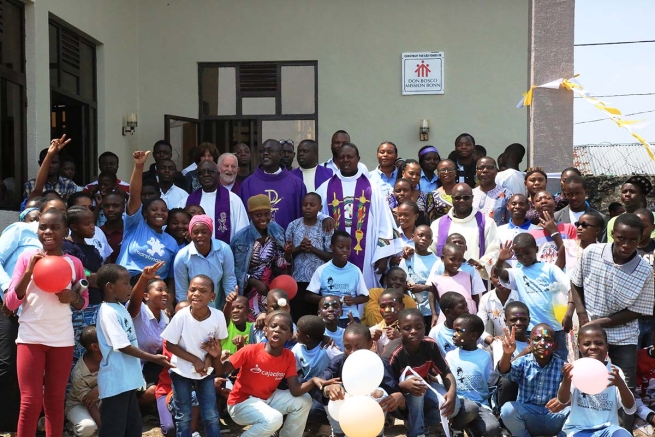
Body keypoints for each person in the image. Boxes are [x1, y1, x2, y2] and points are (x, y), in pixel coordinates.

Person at [5, 207, 88, 436]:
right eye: (43, 227)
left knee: (54, 402)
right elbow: (11, 303)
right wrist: (30, 271)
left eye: (55, 227)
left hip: (61, 340)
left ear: (66, 232)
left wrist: (73, 297)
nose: (48, 231)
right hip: (30, 339)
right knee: (30, 402)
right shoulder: (26, 259)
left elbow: (83, 302)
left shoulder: (74, 263)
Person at [571, 213, 655, 395]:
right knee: (585, 382)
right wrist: (582, 314)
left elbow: (637, 311)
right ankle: (588, 421)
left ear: (640, 239)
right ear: (613, 234)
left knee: (624, 386)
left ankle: (622, 424)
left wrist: (598, 323)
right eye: (621, 238)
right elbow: (576, 282)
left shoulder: (645, 271)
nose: (626, 245)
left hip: (623, 335)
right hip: (590, 332)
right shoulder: (591, 252)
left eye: (633, 240)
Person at [220, 310, 334, 437]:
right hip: (240, 404)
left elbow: (295, 391)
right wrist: (215, 355)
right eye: (273, 326)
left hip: (266, 399)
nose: (277, 330)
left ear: (291, 335)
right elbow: (221, 369)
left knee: (304, 400)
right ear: (266, 330)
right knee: (275, 419)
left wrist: (313, 381)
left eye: (283, 328)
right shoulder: (250, 350)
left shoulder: (289, 356)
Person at [95, 264, 173, 437]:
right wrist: (154, 358)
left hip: (128, 381)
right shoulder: (107, 311)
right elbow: (122, 345)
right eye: (126, 283)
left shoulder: (120, 308)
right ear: (110, 286)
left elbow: (132, 308)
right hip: (116, 382)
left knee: (133, 428)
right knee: (113, 430)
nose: (130, 287)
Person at [316, 143, 401, 288]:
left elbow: (384, 222)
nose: (345, 160)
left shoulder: (372, 188)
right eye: (342, 157)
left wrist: (383, 255)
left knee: (364, 292)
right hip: (334, 254)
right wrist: (324, 217)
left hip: (366, 253)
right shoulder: (326, 187)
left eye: (350, 156)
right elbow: (314, 214)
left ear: (358, 159)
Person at [383, 308, 478, 437]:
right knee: (415, 383)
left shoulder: (430, 345)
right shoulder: (393, 352)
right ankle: (416, 432)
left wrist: (451, 393)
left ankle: (418, 422)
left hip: (424, 388)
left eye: (418, 327)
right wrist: (402, 387)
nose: (413, 331)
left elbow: (446, 373)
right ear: (399, 328)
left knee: (453, 407)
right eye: (407, 328)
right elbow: (385, 386)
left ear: (425, 327)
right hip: (399, 401)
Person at [160, 274, 227, 437]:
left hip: (206, 372)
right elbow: (170, 344)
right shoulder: (181, 316)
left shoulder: (218, 316)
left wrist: (209, 360)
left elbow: (216, 345)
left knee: (211, 414)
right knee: (183, 415)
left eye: (203, 291)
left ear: (212, 297)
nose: (196, 293)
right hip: (181, 371)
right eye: (193, 290)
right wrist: (195, 360)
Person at [495, 234, 571, 359]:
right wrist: (500, 260)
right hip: (531, 330)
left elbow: (570, 288)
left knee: (559, 361)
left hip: (555, 328)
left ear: (536, 249)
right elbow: (499, 273)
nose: (523, 257)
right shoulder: (517, 273)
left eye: (527, 253)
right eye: (519, 255)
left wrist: (569, 313)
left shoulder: (550, 269)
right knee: (534, 362)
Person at [322, 323, 405, 437]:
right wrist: (328, 388)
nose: (352, 351)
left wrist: (398, 396)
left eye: (358, 347)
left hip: (371, 419)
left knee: (379, 392)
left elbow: (391, 389)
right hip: (344, 418)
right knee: (333, 391)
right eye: (347, 347)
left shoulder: (379, 363)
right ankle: (338, 432)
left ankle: (376, 432)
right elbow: (320, 383)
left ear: (370, 344)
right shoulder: (337, 362)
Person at [556, 325, 635, 437]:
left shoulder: (615, 371)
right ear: (579, 347)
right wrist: (566, 381)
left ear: (607, 347)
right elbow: (563, 400)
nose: (593, 347)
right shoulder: (574, 369)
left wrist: (621, 385)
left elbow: (630, 407)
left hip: (608, 429)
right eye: (587, 344)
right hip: (578, 429)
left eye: (599, 343)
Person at [116, 151, 178, 287]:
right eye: (154, 209)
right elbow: (134, 195)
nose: (159, 213)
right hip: (126, 283)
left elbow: (172, 277)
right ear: (145, 213)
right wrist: (139, 166)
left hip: (153, 289)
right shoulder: (135, 225)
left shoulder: (172, 242)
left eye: (163, 210)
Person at [498, 323, 569, 437]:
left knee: (574, 410)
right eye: (536, 339)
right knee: (507, 409)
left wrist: (564, 401)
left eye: (547, 339)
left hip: (553, 416)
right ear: (529, 343)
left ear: (555, 345)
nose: (541, 343)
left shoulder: (563, 366)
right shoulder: (523, 362)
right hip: (528, 416)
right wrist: (507, 354)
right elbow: (504, 372)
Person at [231, 194, 291, 320]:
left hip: (273, 288)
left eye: (267, 214)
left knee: (275, 321)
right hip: (250, 290)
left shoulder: (277, 230)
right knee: (254, 324)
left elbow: (281, 262)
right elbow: (236, 270)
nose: (263, 218)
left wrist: (287, 254)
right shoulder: (240, 238)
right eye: (258, 215)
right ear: (250, 215)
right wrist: (254, 282)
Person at [445, 314, 502, 437]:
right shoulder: (450, 356)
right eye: (454, 330)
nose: (454, 334)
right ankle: (456, 428)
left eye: (459, 331)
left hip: (480, 404)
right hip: (459, 404)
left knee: (493, 429)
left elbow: (490, 380)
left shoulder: (485, 356)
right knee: (470, 408)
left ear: (473, 335)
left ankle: (471, 428)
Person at [124, 262, 170, 409]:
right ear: (146, 296)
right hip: (131, 367)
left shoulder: (166, 318)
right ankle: (132, 410)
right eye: (159, 290)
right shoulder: (139, 311)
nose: (165, 293)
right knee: (152, 392)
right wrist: (144, 278)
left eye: (166, 290)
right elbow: (133, 303)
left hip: (153, 365)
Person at [63, 206, 104, 365]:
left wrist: (96, 278)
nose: (92, 227)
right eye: (87, 223)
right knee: (77, 349)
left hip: (96, 305)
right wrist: (91, 276)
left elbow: (99, 276)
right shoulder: (67, 248)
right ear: (73, 227)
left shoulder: (93, 250)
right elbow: (79, 272)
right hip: (78, 308)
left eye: (93, 222)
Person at [239, 139, 308, 229]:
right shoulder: (248, 184)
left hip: (288, 241)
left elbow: (303, 218)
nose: (265, 153)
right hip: (256, 241)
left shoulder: (296, 183)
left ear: (280, 155)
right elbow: (242, 219)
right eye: (262, 151)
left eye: (270, 150)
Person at [430, 182, 498, 272]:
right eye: (457, 198)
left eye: (466, 197)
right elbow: (430, 251)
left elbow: (494, 249)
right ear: (452, 199)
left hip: (475, 277)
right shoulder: (438, 224)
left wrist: (481, 263)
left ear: (472, 198)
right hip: (445, 279)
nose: (462, 201)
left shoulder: (486, 222)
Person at [286, 192, 333, 321]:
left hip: (319, 281)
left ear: (320, 207)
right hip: (298, 280)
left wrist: (312, 249)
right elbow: (286, 257)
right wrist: (299, 248)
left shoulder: (325, 226)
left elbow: (331, 256)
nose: (307, 207)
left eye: (312, 205)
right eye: (304, 205)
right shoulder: (293, 226)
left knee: (318, 318)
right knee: (299, 316)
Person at [306, 230, 369, 327]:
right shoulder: (322, 270)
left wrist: (353, 300)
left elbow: (365, 297)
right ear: (332, 248)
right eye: (341, 247)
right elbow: (309, 296)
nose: (345, 250)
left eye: (348, 248)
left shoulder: (355, 270)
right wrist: (330, 300)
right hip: (328, 316)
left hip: (350, 315)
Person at [174, 213, 237, 309]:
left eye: (204, 232)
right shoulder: (182, 256)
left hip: (218, 307)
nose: (200, 235)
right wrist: (187, 314)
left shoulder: (224, 249)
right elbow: (181, 291)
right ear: (190, 234)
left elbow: (229, 280)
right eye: (195, 232)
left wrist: (231, 305)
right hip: (194, 309)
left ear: (211, 233)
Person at [186, 159, 248, 244]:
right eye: (202, 172)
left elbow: (242, 233)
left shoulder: (233, 200)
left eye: (210, 171)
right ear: (197, 176)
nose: (206, 175)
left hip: (225, 254)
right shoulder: (188, 200)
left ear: (218, 174)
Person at [491, 302, 531, 409]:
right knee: (506, 380)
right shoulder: (500, 343)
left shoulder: (534, 342)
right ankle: (502, 414)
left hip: (530, 386)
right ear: (505, 321)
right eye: (513, 320)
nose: (518, 323)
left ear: (529, 320)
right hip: (510, 390)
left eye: (523, 319)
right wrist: (524, 353)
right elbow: (502, 371)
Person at [399, 224, 438, 330]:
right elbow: (399, 280)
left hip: (429, 311)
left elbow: (440, 286)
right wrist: (406, 286)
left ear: (431, 242)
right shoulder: (406, 258)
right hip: (410, 310)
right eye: (420, 235)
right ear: (412, 237)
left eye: (428, 237)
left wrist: (423, 287)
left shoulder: (437, 262)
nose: (424, 239)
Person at [65, 326, 102, 437]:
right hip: (79, 404)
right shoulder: (79, 372)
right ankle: (72, 428)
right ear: (94, 346)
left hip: (102, 401)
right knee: (88, 428)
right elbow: (89, 403)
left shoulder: (110, 358)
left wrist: (99, 388)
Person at [528, 190, 577, 267]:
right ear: (534, 206)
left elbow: (572, 256)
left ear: (555, 203)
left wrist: (554, 233)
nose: (543, 201)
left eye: (547, 198)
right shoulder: (530, 234)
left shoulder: (569, 228)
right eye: (538, 200)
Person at [432, 243, 479, 322]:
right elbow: (433, 297)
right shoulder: (437, 281)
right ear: (443, 258)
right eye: (452, 259)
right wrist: (434, 314)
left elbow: (474, 296)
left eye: (460, 260)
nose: (456, 263)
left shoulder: (467, 276)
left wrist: (476, 312)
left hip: (468, 318)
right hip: (448, 319)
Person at [478, 262, 520, 343]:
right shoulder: (486, 299)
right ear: (490, 280)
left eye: (504, 277)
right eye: (496, 277)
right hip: (498, 342)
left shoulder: (520, 296)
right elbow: (478, 326)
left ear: (512, 277)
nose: (500, 280)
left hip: (519, 341)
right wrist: (491, 339)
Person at [607, 175, 655, 242]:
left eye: (632, 192)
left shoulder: (653, 218)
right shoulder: (613, 221)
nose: (627, 194)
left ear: (642, 196)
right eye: (624, 191)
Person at [495, 194, 538, 267]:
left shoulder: (537, 230)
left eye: (521, 204)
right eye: (513, 204)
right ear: (508, 207)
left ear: (528, 207)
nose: (517, 206)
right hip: (505, 275)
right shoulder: (498, 231)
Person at [472, 157, 511, 226]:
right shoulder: (470, 194)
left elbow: (511, 223)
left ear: (496, 171)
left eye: (490, 167)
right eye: (481, 168)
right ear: (476, 171)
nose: (485, 170)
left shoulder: (507, 195)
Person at [428, 292, 470, 356]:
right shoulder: (436, 332)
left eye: (466, 306)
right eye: (462, 307)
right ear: (448, 312)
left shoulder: (470, 326)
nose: (467, 310)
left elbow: (485, 338)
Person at [292, 315, 329, 382]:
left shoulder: (327, 350)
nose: (295, 334)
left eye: (297, 331)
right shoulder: (298, 348)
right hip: (305, 384)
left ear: (307, 338)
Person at [99, 190, 126, 264]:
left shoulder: (130, 232)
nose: (110, 209)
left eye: (115, 206)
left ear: (123, 208)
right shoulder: (98, 233)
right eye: (106, 206)